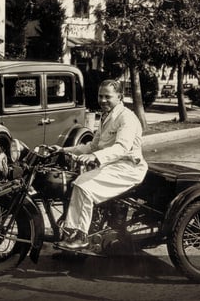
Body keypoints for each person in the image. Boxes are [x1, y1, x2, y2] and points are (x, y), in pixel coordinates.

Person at [53, 79, 148, 250]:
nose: (103, 100)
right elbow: (92, 145)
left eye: (107, 96)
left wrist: (94, 157)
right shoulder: (106, 116)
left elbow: (121, 147)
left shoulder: (127, 118)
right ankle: (72, 236)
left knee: (83, 185)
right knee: (73, 182)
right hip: (110, 166)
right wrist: (63, 150)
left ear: (120, 96)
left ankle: (80, 236)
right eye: (100, 96)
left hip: (127, 168)